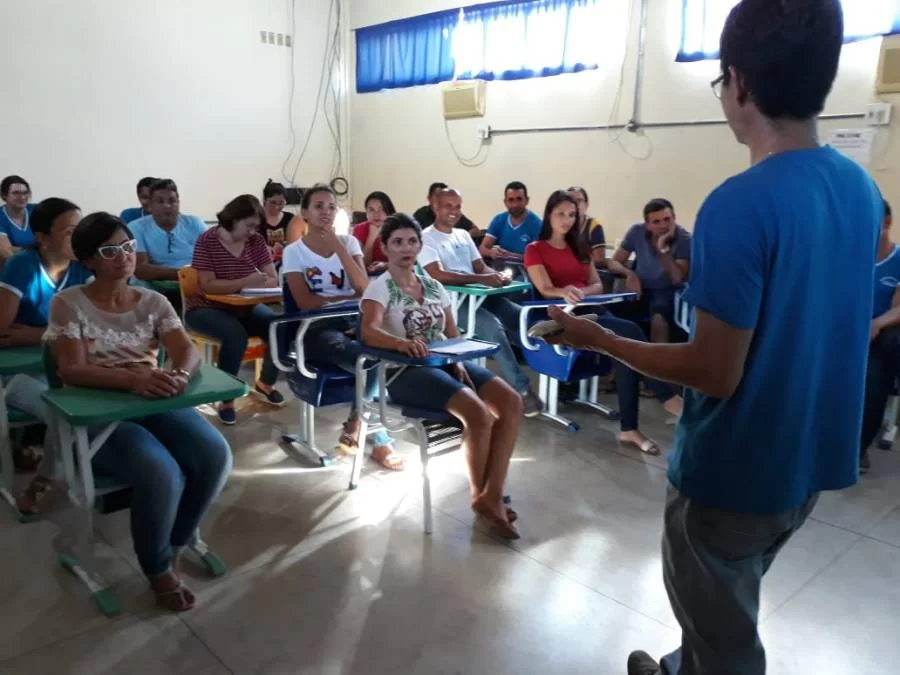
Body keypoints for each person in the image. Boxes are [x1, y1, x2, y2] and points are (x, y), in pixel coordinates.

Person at [544, 2, 885, 673]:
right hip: (810, 456)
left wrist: (598, 337)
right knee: (729, 595)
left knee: (724, 627)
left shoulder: (739, 203)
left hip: (735, 472)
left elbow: (713, 369)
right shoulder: (861, 190)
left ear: (739, 84)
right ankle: (687, 660)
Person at [45, 212, 232, 613]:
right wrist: (132, 380)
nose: (123, 256)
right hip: (100, 414)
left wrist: (180, 374)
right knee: (161, 471)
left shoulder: (153, 300)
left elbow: (186, 350)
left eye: (128, 247)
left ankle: (177, 544)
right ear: (88, 260)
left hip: (151, 400)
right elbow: (71, 370)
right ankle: (156, 568)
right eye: (109, 250)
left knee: (215, 454)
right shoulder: (68, 303)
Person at [361, 213, 521, 538]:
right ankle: (482, 498)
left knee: (511, 401)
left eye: (412, 241)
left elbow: (452, 334)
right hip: (406, 372)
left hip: (444, 362)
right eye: (397, 242)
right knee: (478, 414)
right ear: (385, 247)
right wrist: (401, 343)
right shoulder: (380, 288)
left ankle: (493, 493)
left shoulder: (433, 285)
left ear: (420, 245)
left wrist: (459, 358)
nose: (406, 248)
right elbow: (368, 332)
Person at [524, 190, 682, 455]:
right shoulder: (535, 249)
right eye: (560, 213)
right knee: (629, 332)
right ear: (548, 215)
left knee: (624, 348)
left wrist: (581, 291)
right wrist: (564, 292)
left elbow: (597, 284)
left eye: (572, 214)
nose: (566, 220)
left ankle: (629, 429)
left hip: (590, 310)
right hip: (561, 316)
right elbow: (544, 287)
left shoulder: (580, 247)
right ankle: (669, 398)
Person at [282, 184, 402, 470]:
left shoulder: (348, 244)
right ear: (305, 213)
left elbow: (365, 289)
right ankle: (379, 438)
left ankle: (357, 421)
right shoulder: (294, 252)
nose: (326, 212)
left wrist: (337, 245)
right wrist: (346, 297)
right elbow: (306, 301)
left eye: (331, 207)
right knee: (369, 360)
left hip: (354, 320)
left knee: (382, 350)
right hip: (314, 330)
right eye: (319, 206)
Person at [0, 198, 92, 512]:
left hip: (69, 365)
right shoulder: (21, 266)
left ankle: (84, 465)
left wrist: (33, 333)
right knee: (61, 412)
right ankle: (45, 479)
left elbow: (96, 329)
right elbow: (2, 332)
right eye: (69, 232)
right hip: (20, 373)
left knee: (91, 407)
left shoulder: (85, 266)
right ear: (42, 237)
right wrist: (66, 331)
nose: (78, 239)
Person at [419, 187, 541, 416]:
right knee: (492, 328)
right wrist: (482, 278)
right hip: (452, 303)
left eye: (458, 206)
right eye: (448, 206)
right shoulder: (426, 238)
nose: (454, 211)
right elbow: (438, 275)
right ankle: (522, 389)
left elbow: (479, 267)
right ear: (435, 206)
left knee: (521, 318)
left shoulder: (463, 235)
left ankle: (554, 376)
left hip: (479, 295)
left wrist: (498, 277)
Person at [184, 195, 285, 425]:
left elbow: (272, 277)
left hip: (245, 306)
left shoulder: (256, 241)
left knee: (276, 326)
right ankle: (226, 398)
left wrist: (260, 282)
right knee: (235, 335)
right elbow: (208, 285)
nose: (252, 232)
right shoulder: (207, 240)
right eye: (248, 226)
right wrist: (246, 281)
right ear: (233, 219)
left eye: (255, 227)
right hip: (205, 308)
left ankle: (265, 382)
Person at [608, 198, 691, 344]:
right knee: (607, 311)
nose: (663, 225)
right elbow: (614, 262)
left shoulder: (684, 238)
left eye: (667, 219)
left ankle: (657, 363)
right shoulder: (636, 232)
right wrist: (630, 274)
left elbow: (678, 278)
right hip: (640, 288)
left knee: (659, 313)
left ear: (674, 218)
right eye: (656, 222)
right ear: (647, 225)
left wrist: (662, 249)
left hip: (669, 291)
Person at [859, 200, 898, 473]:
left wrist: (875, 323)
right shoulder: (849, 257)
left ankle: (857, 449)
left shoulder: (897, 260)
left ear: (886, 224)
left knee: (873, 375)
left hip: (877, 335)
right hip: (845, 331)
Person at [131, 178, 207, 282]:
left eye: (172, 201)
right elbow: (141, 269)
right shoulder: (136, 227)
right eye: (160, 201)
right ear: (151, 205)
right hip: (157, 285)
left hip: (198, 282)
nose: (167, 206)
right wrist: (183, 275)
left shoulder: (195, 223)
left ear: (178, 203)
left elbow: (214, 258)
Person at [479, 181, 543, 260]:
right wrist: (492, 252)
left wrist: (511, 256)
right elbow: (482, 249)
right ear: (505, 202)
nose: (515, 204)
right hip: (500, 269)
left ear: (527, 201)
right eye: (511, 200)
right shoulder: (499, 220)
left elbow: (538, 258)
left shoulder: (538, 225)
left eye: (519, 199)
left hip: (526, 270)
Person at [413, 181, 482, 241]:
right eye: (436, 197)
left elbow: (476, 230)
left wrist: (462, 238)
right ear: (429, 199)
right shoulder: (421, 215)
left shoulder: (453, 214)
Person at [352, 191, 395, 274]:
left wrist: (386, 265)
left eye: (381, 209)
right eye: (371, 209)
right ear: (366, 212)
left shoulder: (398, 229)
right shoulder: (359, 229)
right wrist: (371, 237)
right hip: (367, 278)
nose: (376, 214)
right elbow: (360, 266)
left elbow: (408, 263)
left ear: (388, 211)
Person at [567, 186, 607, 267]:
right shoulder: (559, 225)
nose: (574, 203)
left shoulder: (594, 227)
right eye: (570, 200)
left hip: (588, 273)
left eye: (579, 200)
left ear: (586, 205)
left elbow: (600, 261)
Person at [0, 175, 36, 261]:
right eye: (16, 193)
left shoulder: (36, 210)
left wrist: (17, 249)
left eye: (25, 193)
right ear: (4, 195)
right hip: (13, 267)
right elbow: (6, 252)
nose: (22, 197)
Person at [261, 180, 293, 262]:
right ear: (265, 200)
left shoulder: (290, 218)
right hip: (264, 264)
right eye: (273, 203)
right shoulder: (257, 219)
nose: (277, 207)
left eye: (281, 203)